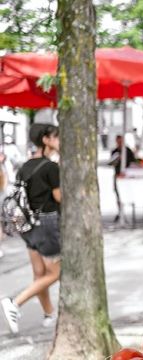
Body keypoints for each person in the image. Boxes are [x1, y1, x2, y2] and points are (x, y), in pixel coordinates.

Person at [1, 124, 61, 333]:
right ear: (46, 140)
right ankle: (15, 303)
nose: (59, 141)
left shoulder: (25, 166)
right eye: (56, 137)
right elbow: (59, 197)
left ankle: (48, 314)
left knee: (39, 273)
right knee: (55, 273)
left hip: (27, 225)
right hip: (46, 223)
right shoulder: (51, 167)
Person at [109, 135, 136, 222]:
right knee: (118, 194)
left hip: (127, 176)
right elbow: (111, 163)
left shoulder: (128, 151)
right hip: (117, 175)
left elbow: (133, 162)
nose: (120, 143)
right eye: (118, 141)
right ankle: (120, 212)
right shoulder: (114, 151)